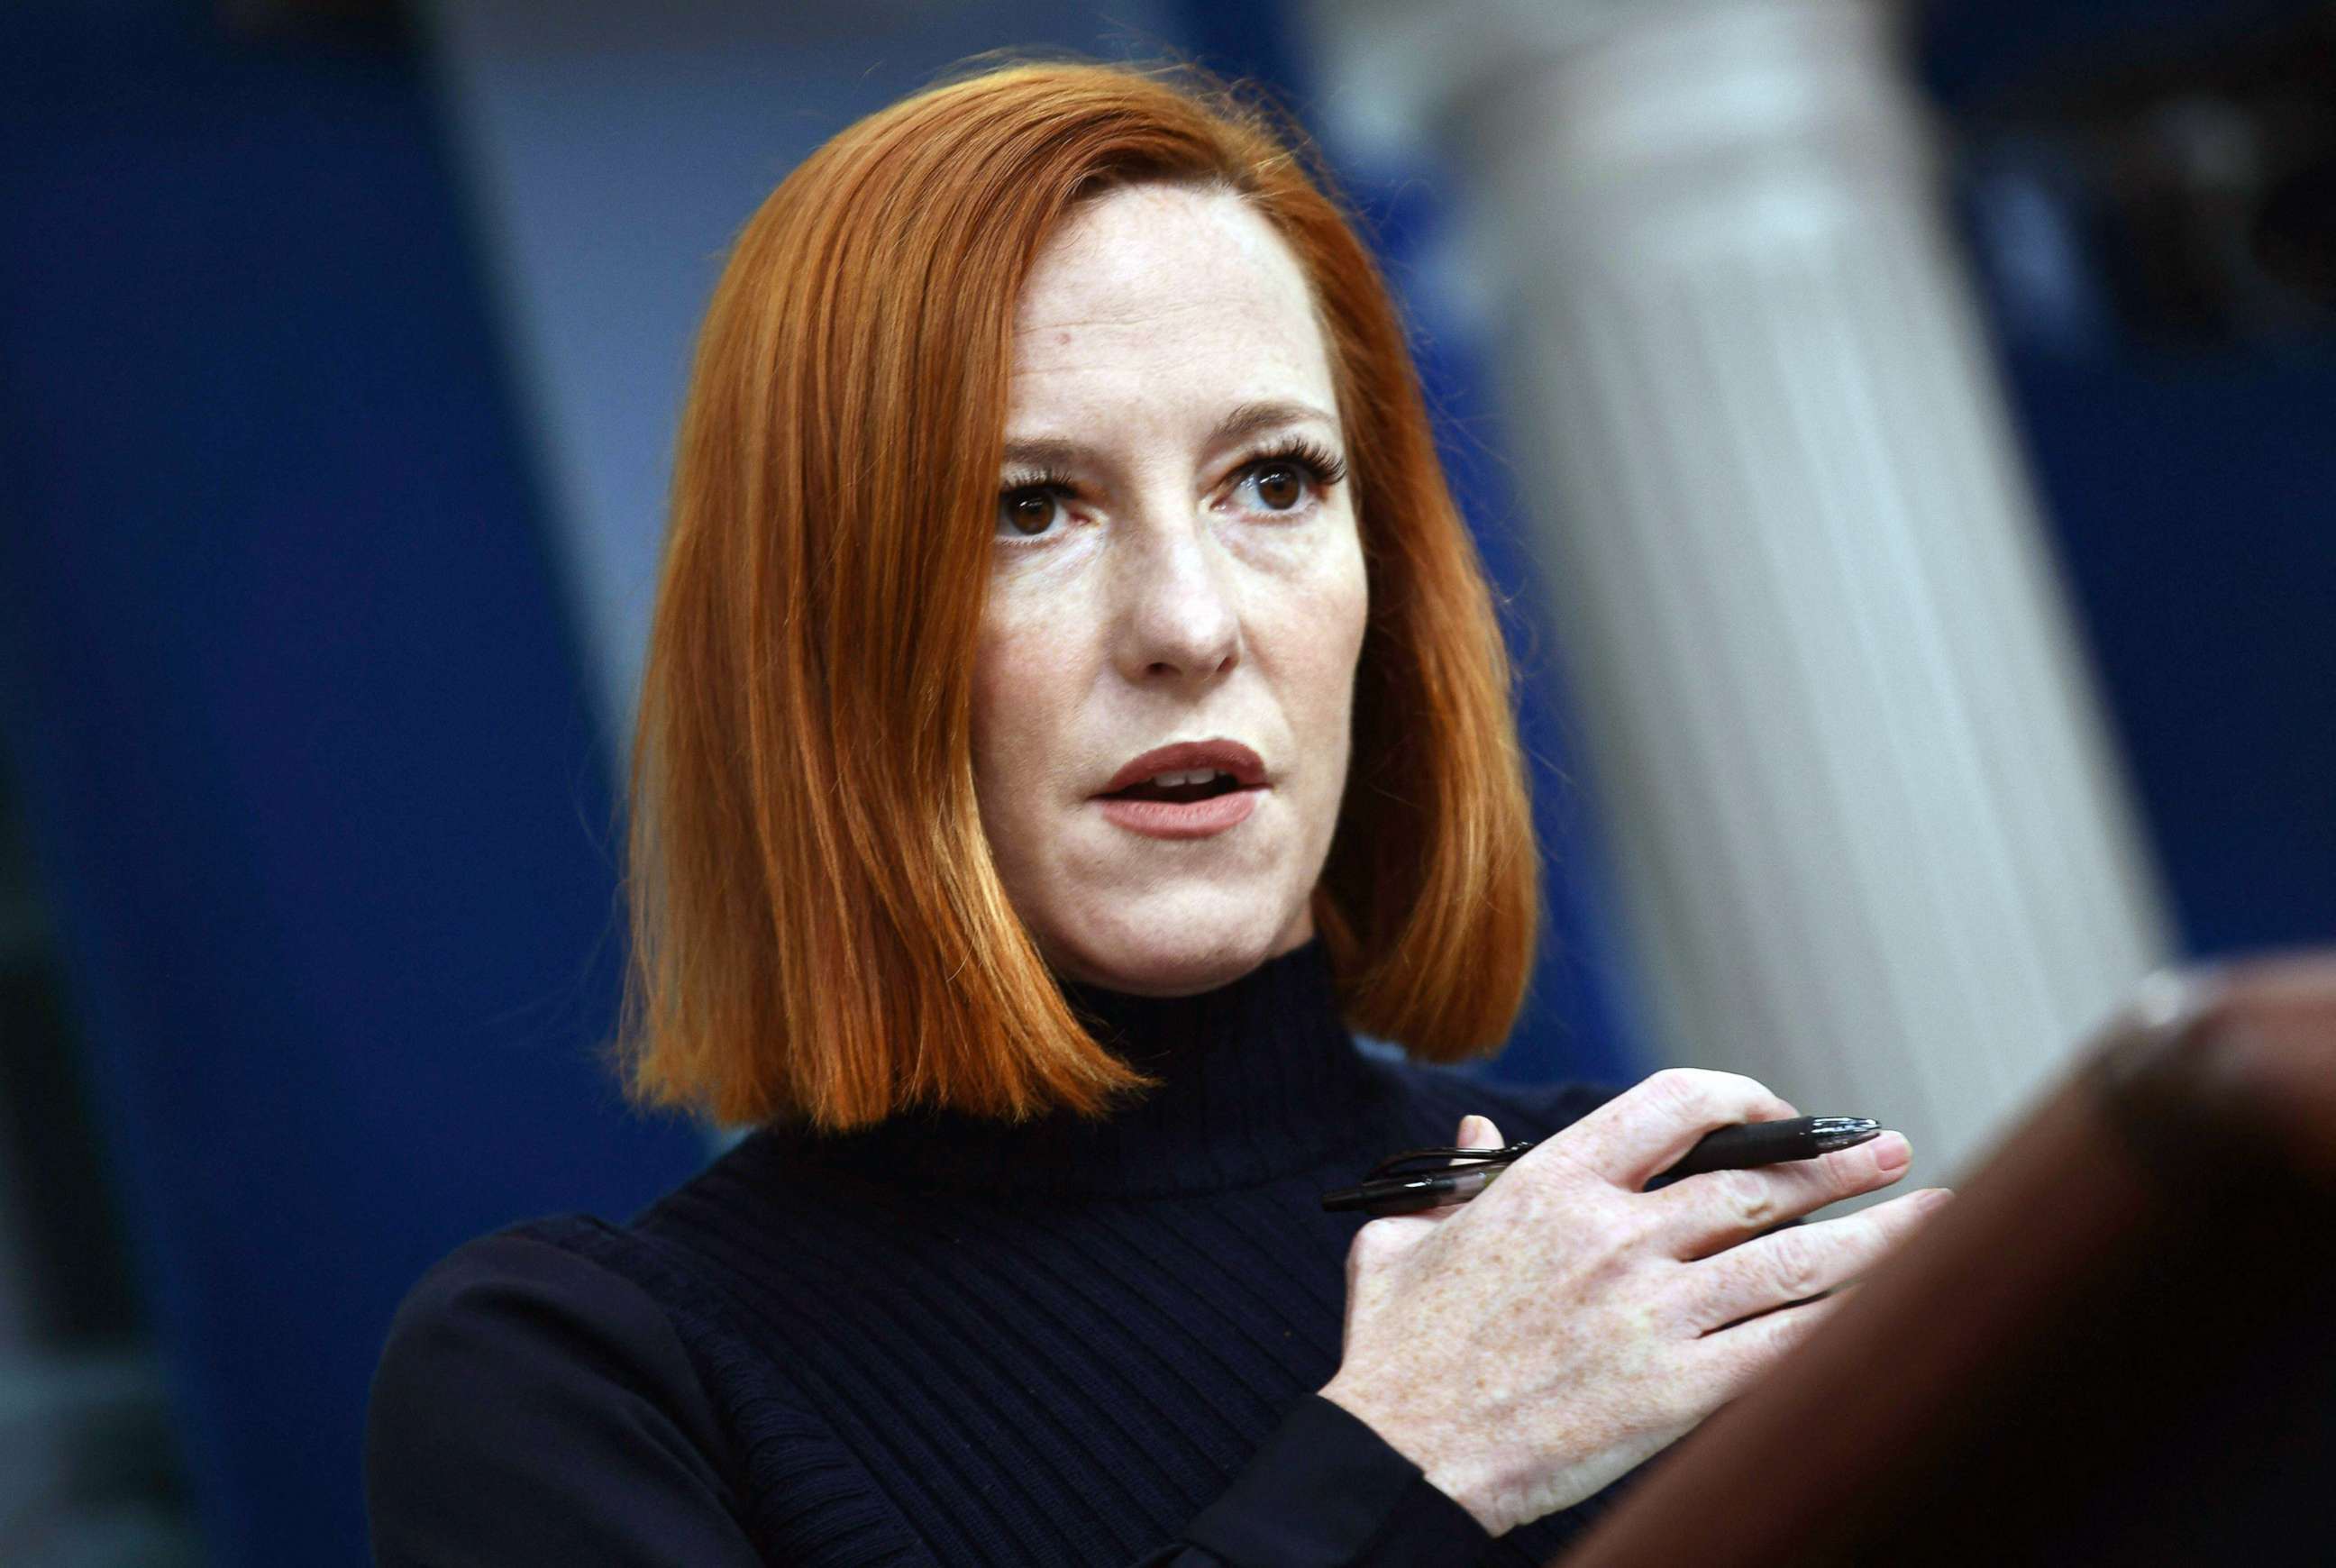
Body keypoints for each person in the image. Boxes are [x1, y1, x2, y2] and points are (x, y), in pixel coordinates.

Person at [362, 59, 1946, 1567]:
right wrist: (1413, 1463)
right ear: (822, 647)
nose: (1191, 625)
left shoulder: (1636, 1232)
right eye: (1028, 507)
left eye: (1275, 481)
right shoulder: (596, 1386)